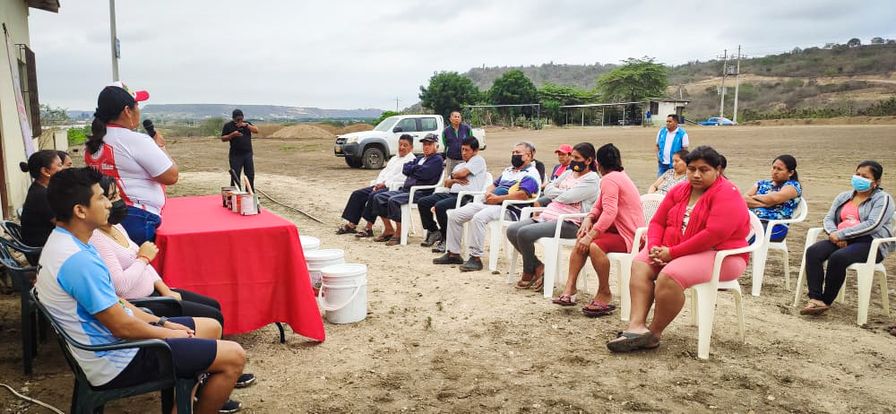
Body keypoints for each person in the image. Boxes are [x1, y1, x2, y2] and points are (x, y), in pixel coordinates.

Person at [36, 167, 246, 414]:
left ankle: (184, 402)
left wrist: (163, 322)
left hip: (117, 345)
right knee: (234, 356)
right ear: (80, 211)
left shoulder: (67, 241)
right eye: (101, 198)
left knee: (211, 327)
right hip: (118, 360)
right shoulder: (78, 261)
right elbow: (122, 327)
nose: (109, 204)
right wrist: (167, 334)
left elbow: (117, 301)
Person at [606, 146, 750, 353]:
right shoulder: (679, 190)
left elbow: (713, 235)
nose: (696, 175)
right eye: (692, 169)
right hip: (673, 248)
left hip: (721, 255)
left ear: (718, 170)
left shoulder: (728, 194)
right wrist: (654, 247)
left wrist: (672, 253)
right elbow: (657, 222)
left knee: (670, 276)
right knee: (640, 264)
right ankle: (636, 326)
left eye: (704, 170)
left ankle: (653, 333)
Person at [552, 144, 645, 317]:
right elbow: (598, 206)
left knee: (594, 246)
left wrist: (592, 235)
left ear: (597, 163)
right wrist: (589, 218)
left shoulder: (610, 180)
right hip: (617, 231)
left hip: (629, 236)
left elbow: (610, 212)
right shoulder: (615, 176)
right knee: (582, 238)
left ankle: (604, 292)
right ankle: (570, 288)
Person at [84, 82, 178, 245]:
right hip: (137, 217)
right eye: (137, 105)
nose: (139, 111)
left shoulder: (94, 142)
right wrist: (161, 148)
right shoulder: (134, 140)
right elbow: (171, 176)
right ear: (127, 111)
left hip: (104, 214)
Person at [799, 161, 894, 316]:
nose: (859, 178)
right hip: (841, 239)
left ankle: (825, 301)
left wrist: (842, 234)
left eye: (865, 177)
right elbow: (828, 218)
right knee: (813, 252)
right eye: (857, 174)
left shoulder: (883, 199)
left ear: (876, 182)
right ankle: (815, 298)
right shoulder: (844, 197)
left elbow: (873, 224)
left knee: (838, 257)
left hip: (870, 242)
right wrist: (834, 234)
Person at [434, 142, 541, 272]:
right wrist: (488, 193)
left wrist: (498, 199)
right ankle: (453, 254)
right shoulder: (509, 170)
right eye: (513, 152)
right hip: (492, 204)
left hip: (510, 209)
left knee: (478, 218)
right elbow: (494, 185)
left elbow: (523, 195)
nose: (514, 155)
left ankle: (475, 258)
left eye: (518, 153)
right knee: (455, 215)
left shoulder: (531, 173)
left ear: (528, 156)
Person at [507, 142, 599, 292]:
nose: (573, 161)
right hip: (549, 215)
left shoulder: (592, 179)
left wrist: (559, 194)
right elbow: (549, 188)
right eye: (572, 157)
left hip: (571, 222)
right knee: (512, 230)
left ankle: (528, 271)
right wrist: (561, 194)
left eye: (577, 158)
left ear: (588, 160)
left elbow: (567, 197)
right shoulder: (568, 173)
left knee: (524, 233)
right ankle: (538, 267)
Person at [370, 134, 444, 246]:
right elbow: (405, 168)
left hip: (420, 192)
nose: (426, 147)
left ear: (436, 146)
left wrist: (413, 170)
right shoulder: (420, 158)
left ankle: (399, 233)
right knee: (378, 197)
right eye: (424, 144)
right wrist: (416, 169)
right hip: (406, 190)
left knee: (393, 200)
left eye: (429, 144)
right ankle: (389, 229)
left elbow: (425, 174)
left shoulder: (437, 159)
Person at [417, 137, 488, 251]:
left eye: (467, 150)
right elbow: (447, 183)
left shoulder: (478, 160)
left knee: (440, 206)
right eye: (462, 149)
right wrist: (455, 180)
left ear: (475, 151)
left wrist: (454, 177)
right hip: (452, 194)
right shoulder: (459, 165)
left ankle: (447, 239)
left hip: (466, 197)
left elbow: (462, 173)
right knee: (423, 202)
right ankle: (434, 231)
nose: (463, 153)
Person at [338, 134, 416, 237]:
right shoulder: (394, 158)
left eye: (405, 145)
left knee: (374, 196)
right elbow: (384, 172)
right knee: (357, 194)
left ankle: (368, 228)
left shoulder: (411, 160)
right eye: (400, 144)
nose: (402, 147)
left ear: (411, 147)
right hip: (381, 185)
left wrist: (384, 184)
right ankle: (352, 224)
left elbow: (401, 178)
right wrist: (377, 184)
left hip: (394, 187)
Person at [19, 150, 65, 263]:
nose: (63, 169)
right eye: (60, 165)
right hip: (41, 252)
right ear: (45, 171)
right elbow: (64, 224)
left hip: (48, 244)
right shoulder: (41, 195)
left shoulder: (41, 188)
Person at [743, 155, 802, 242]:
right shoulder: (762, 183)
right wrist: (765, 203)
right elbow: (743, 200)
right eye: (774, 168)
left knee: (746, 235)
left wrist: (753, 198)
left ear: (790, 172)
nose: (775, 172)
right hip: (752, 221)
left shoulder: (793, 186)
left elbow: (775, 199)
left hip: (774, 226)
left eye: (779, 169)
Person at [221, 109, 259, 191]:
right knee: (235, 175)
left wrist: (246, 125)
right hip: (235, 155)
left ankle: (249, 191)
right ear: (233, 118)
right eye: (237, 119)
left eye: (241, 118)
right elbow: (223, 138)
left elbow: (256, 130)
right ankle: (236, 192)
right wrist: (232, 135)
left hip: (247, 154)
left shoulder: (247, 124)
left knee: (250, 174)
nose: (239, 120)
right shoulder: (228, 125)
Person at [440, 110, 474, 176]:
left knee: (464, 177)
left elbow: (471, 141)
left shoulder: (467, 129)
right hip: (451, 159)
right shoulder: (445, 131)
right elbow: (445, 143)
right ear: (450, 119)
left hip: (464, 159)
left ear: (461, 119)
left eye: (458, 117)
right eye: (455, 117)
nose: (457, 118)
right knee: (451, 177)